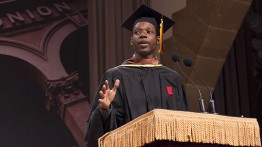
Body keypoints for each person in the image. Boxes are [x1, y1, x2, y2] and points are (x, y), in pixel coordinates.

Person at [85, 4, 189, 147]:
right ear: (131, 40)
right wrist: (104, 110)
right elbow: (98, 132)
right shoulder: (116, 76)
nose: (143, 35)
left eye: (149, 31)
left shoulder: (172, 78)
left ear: (158, 40)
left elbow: (184, 122)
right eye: (137, 32)